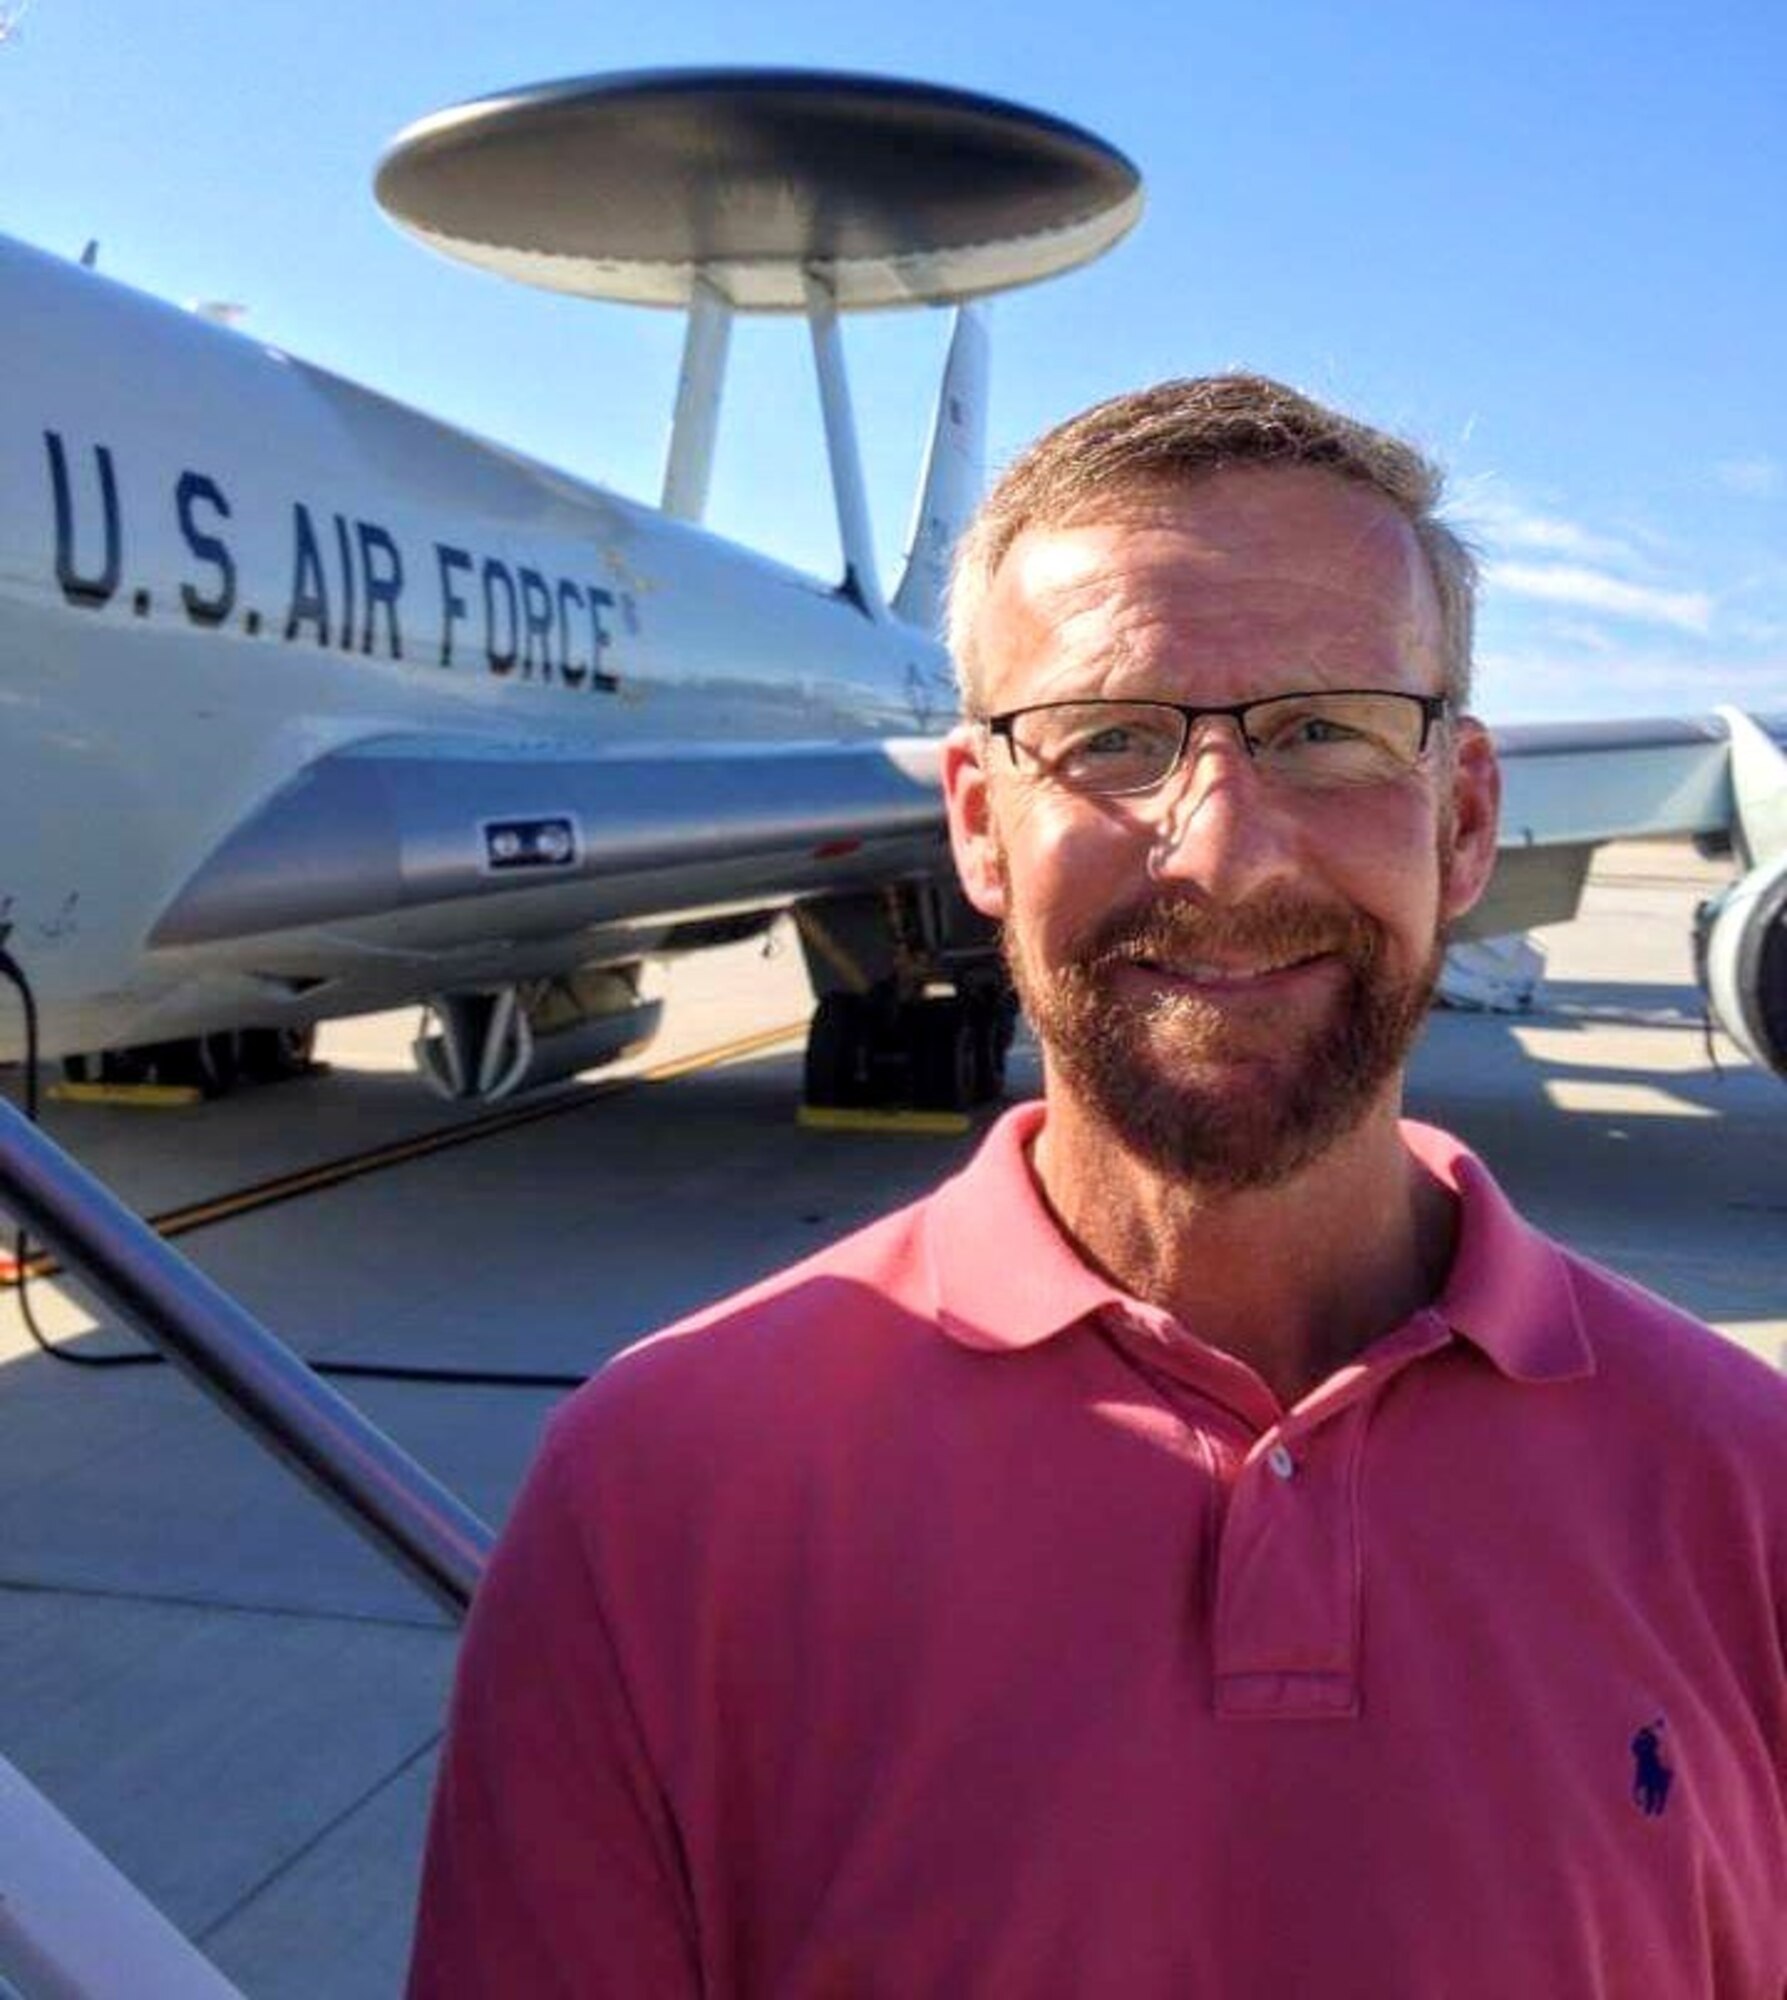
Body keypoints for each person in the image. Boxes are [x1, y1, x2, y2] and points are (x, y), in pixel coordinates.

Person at [407, 376, 1787, 1998]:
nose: (1222, 851)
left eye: (1327, 731)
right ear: (980, 829)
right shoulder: (659, 1494)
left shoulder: (1745, 1492)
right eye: (1114, 741)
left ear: (1466, 817)